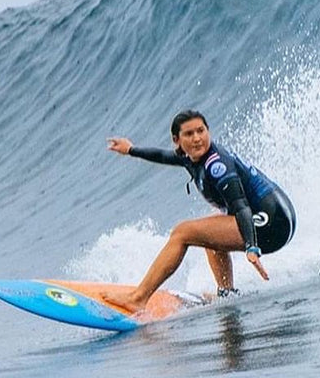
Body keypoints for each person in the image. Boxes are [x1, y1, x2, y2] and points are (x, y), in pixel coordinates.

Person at [105, 109, 296, 311]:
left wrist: (251, 247)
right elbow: (162, 155)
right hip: (279, 216)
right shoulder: (189, 158)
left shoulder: (217, 165)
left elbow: (241, 207)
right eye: (189, 134)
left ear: (208, 132)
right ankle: (226, 294)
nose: (197, 139)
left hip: (273, 223)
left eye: (201, 131)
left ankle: (138, 299)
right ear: (177, 140)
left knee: (183, 232)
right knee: (209, 230)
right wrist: (131, 149)